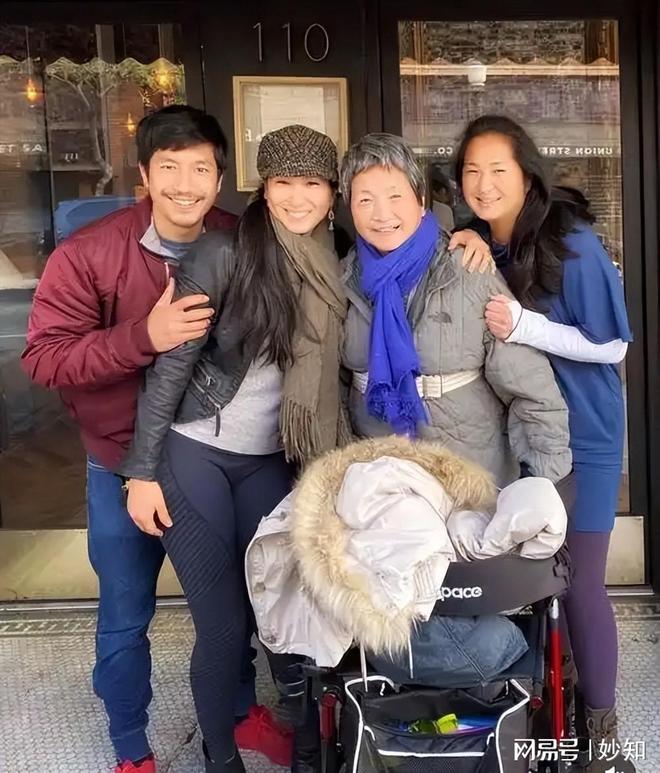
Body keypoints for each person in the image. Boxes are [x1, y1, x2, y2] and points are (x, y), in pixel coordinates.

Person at [21, 105, 285, 773]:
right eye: (169, 167)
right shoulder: (90, 253)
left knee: (230, 604)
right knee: (126, 610)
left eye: (200, 169)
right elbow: (45, 359)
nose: (185, 184)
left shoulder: (237, 239)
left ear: (219, 178)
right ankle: (130, 745)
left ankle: (237, 713)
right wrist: (145, 335)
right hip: (120, 462)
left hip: (207, 458)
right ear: (144, 174)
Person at [120, 124, 347, 773]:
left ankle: (309, 747)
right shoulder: (223, 253)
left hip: (272, 459)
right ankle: (220, 757)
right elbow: (169, 369)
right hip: (196, 452)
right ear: (262, 188)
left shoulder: (338, 259)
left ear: (332, 193)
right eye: (283, 182)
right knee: (223, 625)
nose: (298, 197)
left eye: (312, 183)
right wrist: (141, 472)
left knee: (289, 610)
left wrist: (465, 239)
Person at [451, 114, 634, 773]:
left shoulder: (570, 243)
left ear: (527, 176)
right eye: (471, 171)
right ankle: (554, 716)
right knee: (538, 583)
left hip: (585, 435)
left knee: (580, 581)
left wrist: (524, 325)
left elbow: (613, 344)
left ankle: (602, 742)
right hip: (519, 438)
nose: (484, 183)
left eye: (498, 169)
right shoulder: (480, 244)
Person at [339, 132, 572, 489]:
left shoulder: (467, 266)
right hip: (381, 479)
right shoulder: (343, 278)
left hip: (467, 476)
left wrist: (541, 482)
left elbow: (528, 386)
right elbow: (335, 388)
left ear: (420, 199)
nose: (382, 214)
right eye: (365, 200)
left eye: (395, 196)